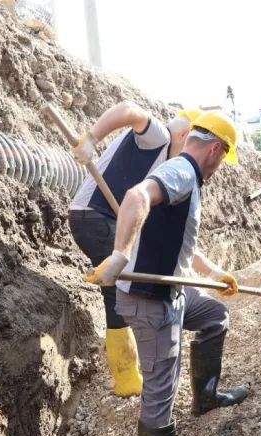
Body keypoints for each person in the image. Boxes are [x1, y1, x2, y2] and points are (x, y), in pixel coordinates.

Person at [84, 110, 246, 436]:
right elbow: (136, 196)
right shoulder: (182, 171)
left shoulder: (186, 177)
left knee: (215, 315)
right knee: (161, 390)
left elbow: (183, 239)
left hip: (172, 292)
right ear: (215, 149)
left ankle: (206, 395)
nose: (219, 168)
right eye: (223, 159)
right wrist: (120, 254)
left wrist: (216, 273)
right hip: (151, 300)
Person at [68, 100, 201, 397]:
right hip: (95, 217)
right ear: (184, 135)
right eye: (190, 148)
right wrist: (91, 138)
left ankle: (129, 372)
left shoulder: (162, 165)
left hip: (98, 219)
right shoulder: (159, 137)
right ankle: (127, 376)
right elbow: (129, 109)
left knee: (118, 289)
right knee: (118, 292)